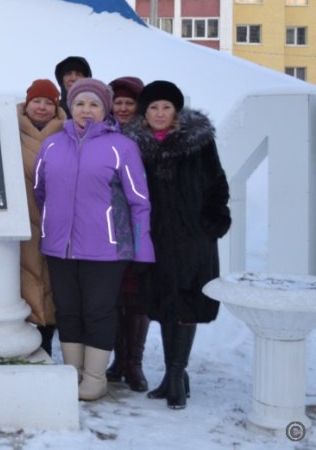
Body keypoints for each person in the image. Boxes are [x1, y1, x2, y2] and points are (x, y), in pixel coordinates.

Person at [33, 78, 154, 401]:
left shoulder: (122, 147)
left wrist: (142, 251)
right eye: (80, 104)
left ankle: (95, 377)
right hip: (60, 247)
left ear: (105, 109)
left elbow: (139, 201)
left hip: (107, 249)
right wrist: (53, 226)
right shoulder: (53, 145)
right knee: (68, 311)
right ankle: (73, 373)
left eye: (94, 104)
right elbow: (40, 191)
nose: (87, 110)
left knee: (99, 311)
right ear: (70, 108)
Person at [124, 80, 231, 410]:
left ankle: (175, 377)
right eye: (153, 107)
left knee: (186, 303)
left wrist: (211, 222)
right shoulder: (135, 145)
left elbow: (217, 183)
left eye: (166, 107)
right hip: (154, 239)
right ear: (145, 113)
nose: (159, 113)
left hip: (192, 239)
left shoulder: (198, 143)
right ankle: (174, 376)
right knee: (164, 303)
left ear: (176, 112)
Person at [104, 75, 150, 391]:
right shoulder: (102, 134)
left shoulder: (147, 138)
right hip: (109, 227)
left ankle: (134, 363)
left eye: (128, 103)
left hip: (140, 225)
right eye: (117, 102)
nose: (122, 108)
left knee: (137, 296)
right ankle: (118, 360)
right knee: (114, 295)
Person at [16, 79, 66, 357]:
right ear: (27, 104)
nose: (42, 107)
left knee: (51, 281)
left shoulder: (67, 134)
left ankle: (46, 337)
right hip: (21, 220)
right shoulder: (9, 130)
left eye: (49, 102)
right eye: (37, 101)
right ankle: (21, 336)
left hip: (55, 220)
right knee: (22, 278)